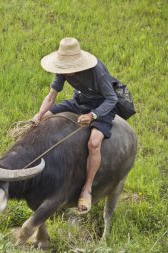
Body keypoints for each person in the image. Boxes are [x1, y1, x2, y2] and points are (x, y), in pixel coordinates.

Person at [31, 37, 119, 214]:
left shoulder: (97, 71)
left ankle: (87, 189)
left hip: (101, 106)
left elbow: (112, 98)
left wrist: (92, 115)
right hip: (79, 102)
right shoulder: (62, 71)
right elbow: (51, 97)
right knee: (47, 116)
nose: (66, 71)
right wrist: (39, 115)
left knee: (94, 143)